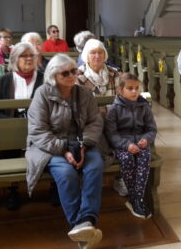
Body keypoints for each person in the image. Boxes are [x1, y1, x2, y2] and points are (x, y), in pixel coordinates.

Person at [26, 54, 104, 249]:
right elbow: (38, 131)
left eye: (73, 71)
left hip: (81, 143)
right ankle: (79, 226)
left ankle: (86, 219)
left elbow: (95, 121)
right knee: (66, 173)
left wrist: (84, 144)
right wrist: (64, 149)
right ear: (54, 76)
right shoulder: (42, 94)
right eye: (65, 73)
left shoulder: (84, 93)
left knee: (94, 166)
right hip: (50, 147)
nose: (71, 76)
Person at [0, 42, 43, 210]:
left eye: (31, 55)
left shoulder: (45, 78)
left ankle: (54, 187)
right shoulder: (4, 81)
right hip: (11, 125)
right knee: (7, 148)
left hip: (39, 125)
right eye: (23, 56)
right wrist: (9, 124)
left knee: (49, 147)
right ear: (14, 59)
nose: (28, 59)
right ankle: (12, 190)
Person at [76, 38, 125, 197]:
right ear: (86, 56)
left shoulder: (114, 73)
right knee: (94, 138)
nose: (97, 56)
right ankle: (88, 181)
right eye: (93, 53)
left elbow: (121, 99)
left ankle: (121, 177)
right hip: (91, 122)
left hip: (113, 118)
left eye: (100, 52)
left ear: (104, 55)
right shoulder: (79, 76)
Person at [105, 73, 157, 219]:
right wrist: (126, 145)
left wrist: (146, 139)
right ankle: (136, 199)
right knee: (127, 159)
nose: (134, 91)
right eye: (130, 88)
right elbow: (112, 134)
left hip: (140, 143)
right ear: (120, 90)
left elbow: (151, 129)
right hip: (122, 145)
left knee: (144, 157)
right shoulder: (114, 109)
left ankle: (136, 199)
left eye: (136, 88)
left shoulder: (144, 106)